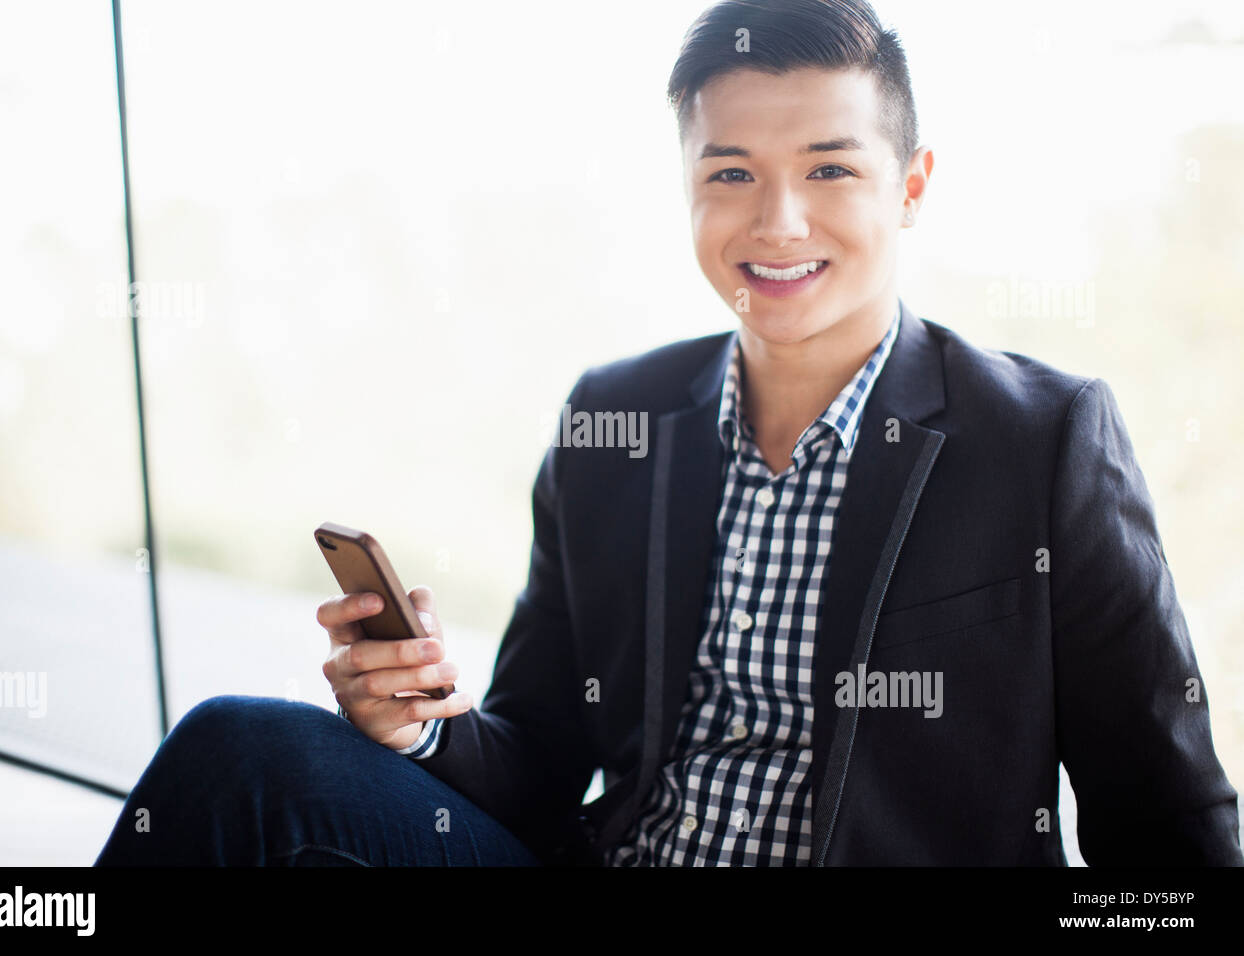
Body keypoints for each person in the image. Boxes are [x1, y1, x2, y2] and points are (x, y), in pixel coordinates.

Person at [96, 0, 1242, 867]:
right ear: (686, 186)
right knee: (241, 751)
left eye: (830, 169)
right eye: (731, 171)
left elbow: (1170, 823)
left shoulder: (1041, 439)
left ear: (911, 184)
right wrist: (423, 731)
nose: (776, 220)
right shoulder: (617, 418)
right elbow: (540, 759)